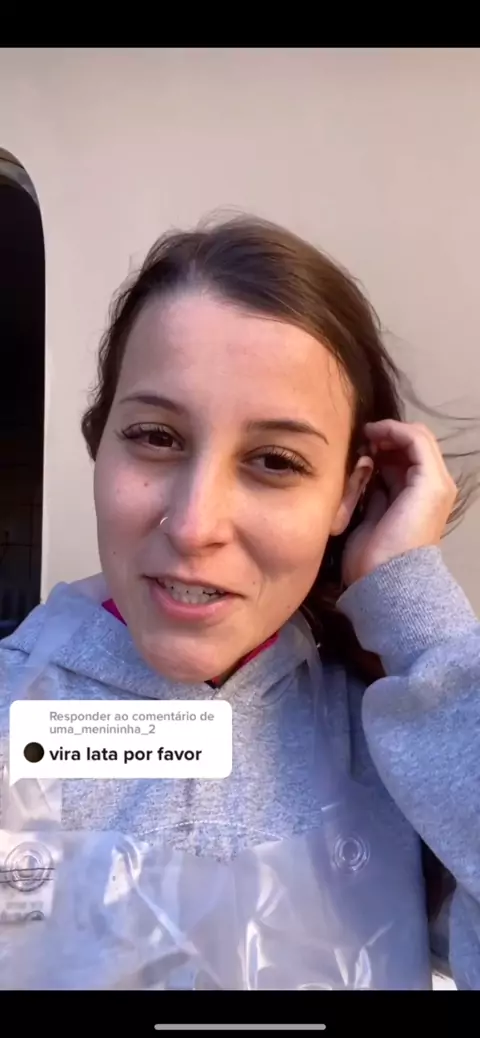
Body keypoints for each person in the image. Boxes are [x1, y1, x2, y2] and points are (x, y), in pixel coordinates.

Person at [0, 215, 479, 990]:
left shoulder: (397, 743)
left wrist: (417, 617)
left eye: (274, 461)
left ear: (349, 494)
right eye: (156, 437)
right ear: (99, 442)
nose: (195, 525)